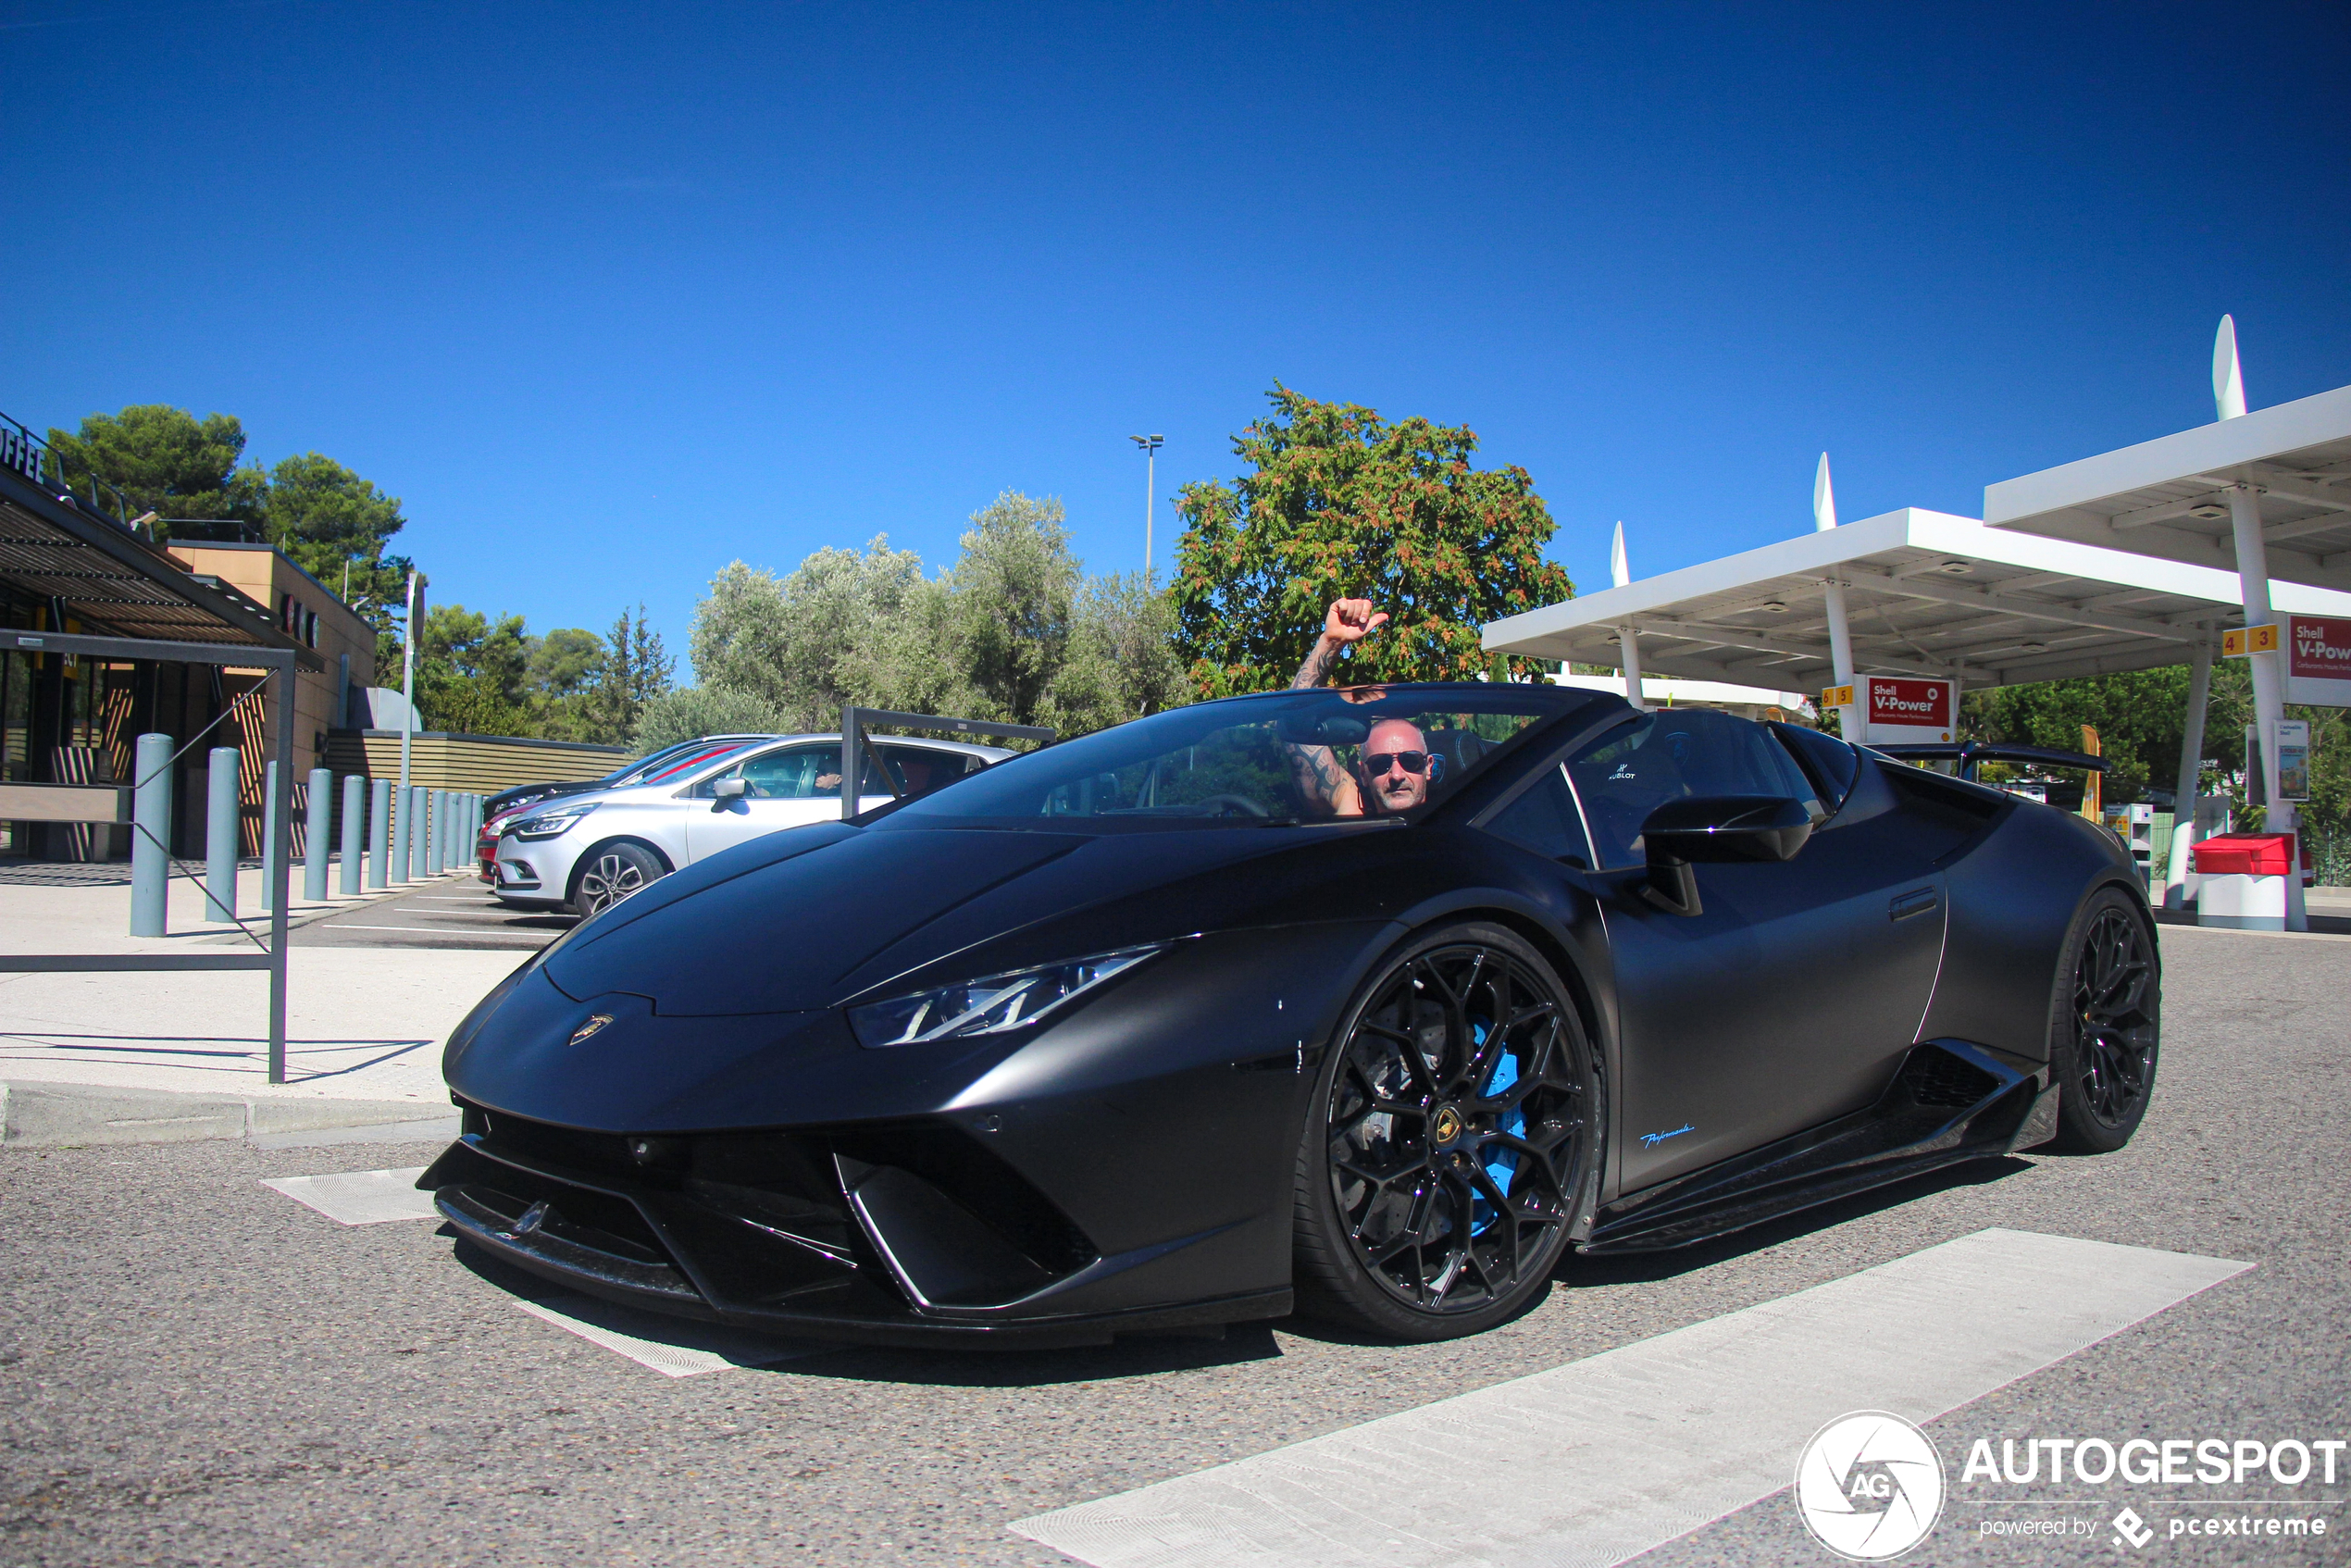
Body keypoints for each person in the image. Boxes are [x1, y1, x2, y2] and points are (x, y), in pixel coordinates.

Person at [1285, 598, 1437, 816]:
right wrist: (1331, 642)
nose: (1396, 775)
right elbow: (1295, 725)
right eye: (1380, 764)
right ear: (1363, 773)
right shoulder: (1354, 808)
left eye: (1410, 761)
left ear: (1428, 766)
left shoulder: (1467, 814)